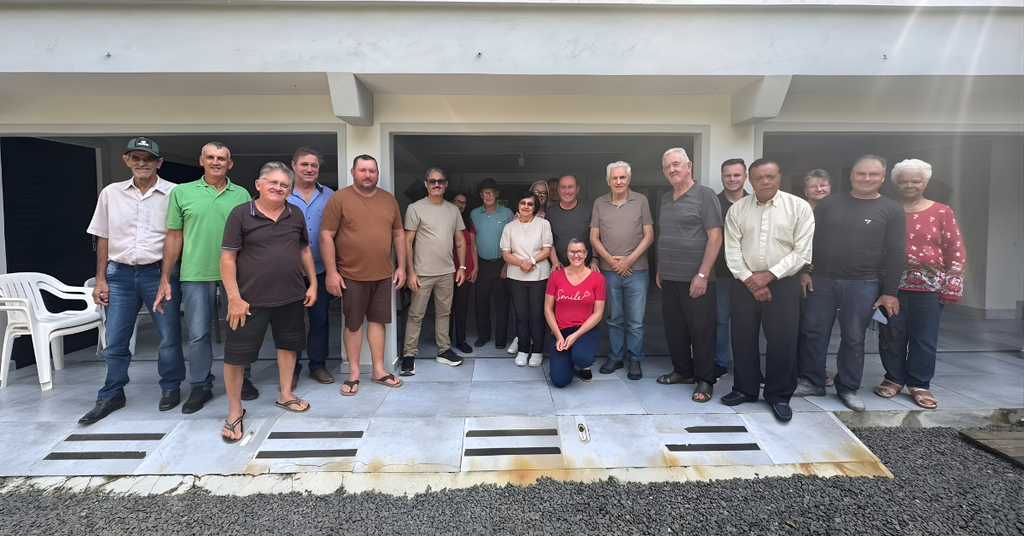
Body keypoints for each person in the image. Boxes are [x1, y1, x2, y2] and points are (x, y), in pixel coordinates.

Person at [79, 137, 186, 424]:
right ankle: (112, 393)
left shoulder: (174, 193)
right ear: (127, 160)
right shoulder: (111, 193)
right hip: (120, 275)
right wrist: (100, 280)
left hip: (158, 274)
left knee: (169, 335)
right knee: (115, 338)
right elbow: (102, 237)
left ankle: (171, 386)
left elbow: (177, 237)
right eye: (136, 158)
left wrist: (167, 276)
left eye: (148, 158)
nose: (142, 163)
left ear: (159, 163)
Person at [795, 155, 906, 412]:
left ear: (882, 177)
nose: (866, 178)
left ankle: (847, 387)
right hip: (821, 279)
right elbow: (808, 238)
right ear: (851, 175)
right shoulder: (829, 203)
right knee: (813, 332)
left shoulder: (892, 209)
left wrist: (890, 292)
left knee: (854, 337)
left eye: (873, 174)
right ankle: (813, 381)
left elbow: (896, 252)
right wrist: (803, 270)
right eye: (861, 173)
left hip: (863, 282)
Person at [155, 141, 256, 414]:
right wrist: (165, 277)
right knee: (198, 334)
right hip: (195, 273)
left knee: (239, 328)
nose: (216, 162)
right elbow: (174, 236)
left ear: (230, 164)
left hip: (235, 274)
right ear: (201, 161)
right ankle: (201, 385)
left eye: (221, 158)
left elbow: (250, 237)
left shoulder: (242, 194)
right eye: (210, 157)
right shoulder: (182, 192)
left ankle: (243, 378)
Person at [220, 162, 316, 442]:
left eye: (284, 185)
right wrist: (234, 298)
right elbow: (228, 258)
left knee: (288, 346)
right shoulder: (241, 213)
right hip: (249, 301)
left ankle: (285, 394)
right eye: (273, 182)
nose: (278, 188)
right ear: (258, 184)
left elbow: (304, 250)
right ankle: (234, 411)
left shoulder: (295, 213)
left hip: (290, 296)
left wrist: (313, 283)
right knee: (236, 356)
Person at [721, 159, 814, 422]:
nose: (765, 181)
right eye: (759, 177)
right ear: (749, 180)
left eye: (770, 176)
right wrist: (750, 279)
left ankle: (779, 395)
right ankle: (745, 389)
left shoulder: (799, 207)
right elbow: (731, 250)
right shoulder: (738, 209)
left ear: (780, 177)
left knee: (782, 341)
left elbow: (802, 251)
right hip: (744, 282)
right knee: (742, 338)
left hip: (783, 282)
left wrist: (769, 276)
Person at [875, 159, 965, 410]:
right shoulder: (888, 209)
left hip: (929, 288)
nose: (909, 185)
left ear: (925, 183)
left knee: (924, 337)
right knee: (890, 333)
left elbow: (955, 248)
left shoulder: (942, 211)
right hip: (890, 286)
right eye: (903, 181)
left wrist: (952, 287)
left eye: (915, 181)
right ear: (896, 183)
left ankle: (919, 383)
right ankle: (893, 378)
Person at [320, 154, 406, 394]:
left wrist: (401, 267)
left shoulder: (389, 200)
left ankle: (378, 370)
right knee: (353, 324)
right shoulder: (339, 199)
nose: (368, 175)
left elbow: (398, 234)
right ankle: (354, 374)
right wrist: (331, 272)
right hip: (350, 274)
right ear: (353, 172)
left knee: (378, 321)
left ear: (377, 174)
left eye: (372, 171)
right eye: (363, 170)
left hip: (383, 274)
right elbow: (326, 235)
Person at [655, 147, 723, 403]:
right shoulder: (665, 198)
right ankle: (683, 371)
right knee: (675, 328)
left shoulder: (705, 195)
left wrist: (702, 275)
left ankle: (705, 379)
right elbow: (665, 235)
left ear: (689, 166)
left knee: (701, 330)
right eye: (667, 166)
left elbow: (715, 237)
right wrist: (660, 268)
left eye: (676, 164)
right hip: (670, 276)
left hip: (697, 277)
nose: (672, 169)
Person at [590, 161, 654, 380]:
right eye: (614, 178)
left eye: (622, 177)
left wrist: (629, 261)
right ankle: (616, 357)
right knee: (614, 318)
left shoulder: (641, 201)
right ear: (608, 181)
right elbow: (593, 237)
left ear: (629, 179)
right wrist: (612, 261)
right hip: (609, 272)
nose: (619, 181)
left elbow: (649, 235)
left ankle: (635, 358)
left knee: (636, 321)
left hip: (637, 271)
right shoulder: (599, 202)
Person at [401, 167, 467, 375]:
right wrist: (410, 272)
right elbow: (407, 242)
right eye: (432, 181)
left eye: (440, 181)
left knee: (444, 313)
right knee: (416, 315)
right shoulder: (415, 208)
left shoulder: (453, 210)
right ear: (426, 184)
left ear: (446, 184)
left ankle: (444, 351)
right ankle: (409, 355)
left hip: (447, 271)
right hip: (422, 273)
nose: (436, 185)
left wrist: (462, 267)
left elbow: (460, 240)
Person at [287, 147, 335, 389]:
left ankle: (317, 365)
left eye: (314, 165)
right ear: (293, 165)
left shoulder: (330, 195)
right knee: (291, 323)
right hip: (289, 272)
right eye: (304, 164)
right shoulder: (282, 193)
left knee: (320, 320)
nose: (309, 169)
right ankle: (291, 370)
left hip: (320, 269)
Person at [501, 190, 553, 367]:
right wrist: (522, 263)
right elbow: (506, 254)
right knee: (521, 315)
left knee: (537, 315)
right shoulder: (509, 227)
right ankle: (523, 350)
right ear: (518, 205)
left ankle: (537, 351)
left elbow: (546, 250)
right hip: (516, 277)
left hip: (539, 276)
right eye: (523, 203)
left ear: (535, 207)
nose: (526, 206)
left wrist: (531, 261)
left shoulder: (543, 224)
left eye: (530, 204)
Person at [545, 239, 606, 387]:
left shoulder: (598, 278)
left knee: (581, 358)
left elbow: (598, 313)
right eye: (572, 251)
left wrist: (575, 336)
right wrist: (559, 336)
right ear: (567, 254)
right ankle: (571, 357)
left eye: (580, 252)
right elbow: (548, 309)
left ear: (586, 253)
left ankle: (584, 362)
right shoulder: (556, 276)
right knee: (559, 381)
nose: (576, 255)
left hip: (585, 330)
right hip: (561, 331)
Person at [712, 158, 748, 379]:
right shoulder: (713, 204)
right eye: (728, 175)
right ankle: (719, 362)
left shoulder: (756, 203)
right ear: (722, 177)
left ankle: (747, 365)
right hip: (721, 273)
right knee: (721, 320)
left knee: (747, 322)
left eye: (737, 175)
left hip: (751, 276)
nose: (732, 179)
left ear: (745, 177)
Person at [470, 178, 514, 350]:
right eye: (484, 193)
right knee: (481, 302)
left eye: (491, 192)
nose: (488, 196)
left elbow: (513, 240)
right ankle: (483, 336)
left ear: (497, 194)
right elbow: (473, 242)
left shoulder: (507, 213)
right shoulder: (474, 214)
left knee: (502, 304)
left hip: (501, 263)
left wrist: (507, 264)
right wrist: (475, 267)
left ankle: (501, 339)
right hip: (482, 264)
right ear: (481, 195)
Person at [449, 191, 478, 354]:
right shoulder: (445, 219)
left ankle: (461, 340)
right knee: (445, 307)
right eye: (458, 201)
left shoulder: (468, 222)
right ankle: (445, 341)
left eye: (464, 203)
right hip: (446, 269)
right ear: (451, 202)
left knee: (462, 305)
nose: (461, 205)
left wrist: (475, 267)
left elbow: (473, 246)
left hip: (465, 268)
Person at [546, 174, 593, 270]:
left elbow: (595, 238)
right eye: (563, 187)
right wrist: (555, 262)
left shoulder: (589, 210)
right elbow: (548, 241)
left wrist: (595, 260)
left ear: (577, 189)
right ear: (558, 189)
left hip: (586, 268)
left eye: (571, 187)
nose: (567, 191)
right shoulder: (550, 212)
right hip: (560, 268)